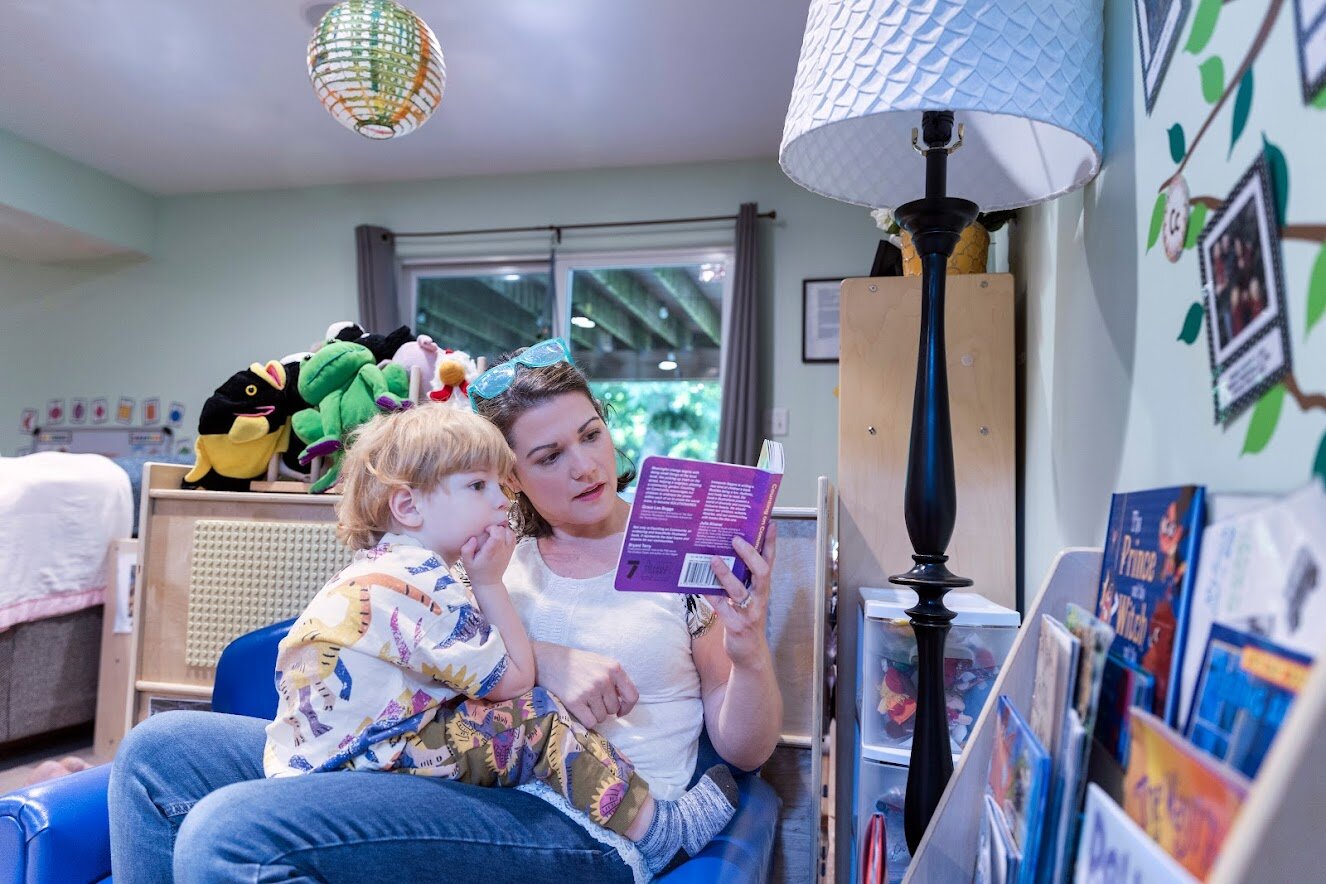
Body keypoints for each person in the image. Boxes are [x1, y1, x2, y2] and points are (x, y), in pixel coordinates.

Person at [109, 337, 782, 883]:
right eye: (549, 455)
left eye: (591, 434)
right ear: (508, 476)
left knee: (231, 832)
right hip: (455, 772)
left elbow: (744, 752)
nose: (585, 466)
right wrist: (548, 660)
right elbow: (404, 633)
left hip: (584, 823)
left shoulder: (675, 555)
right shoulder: (483, 548)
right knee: (155, 752)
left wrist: (749, 648)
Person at [265, 403, 738, 873]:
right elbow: (514, 681)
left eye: (499, 484)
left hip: (304, 760)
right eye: (478, 486)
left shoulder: (376, 569)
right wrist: (489, 582)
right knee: (542, 719)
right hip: (374, 761)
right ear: (407, 506)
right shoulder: (426, 584)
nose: (501, 501)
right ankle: (662, 831)